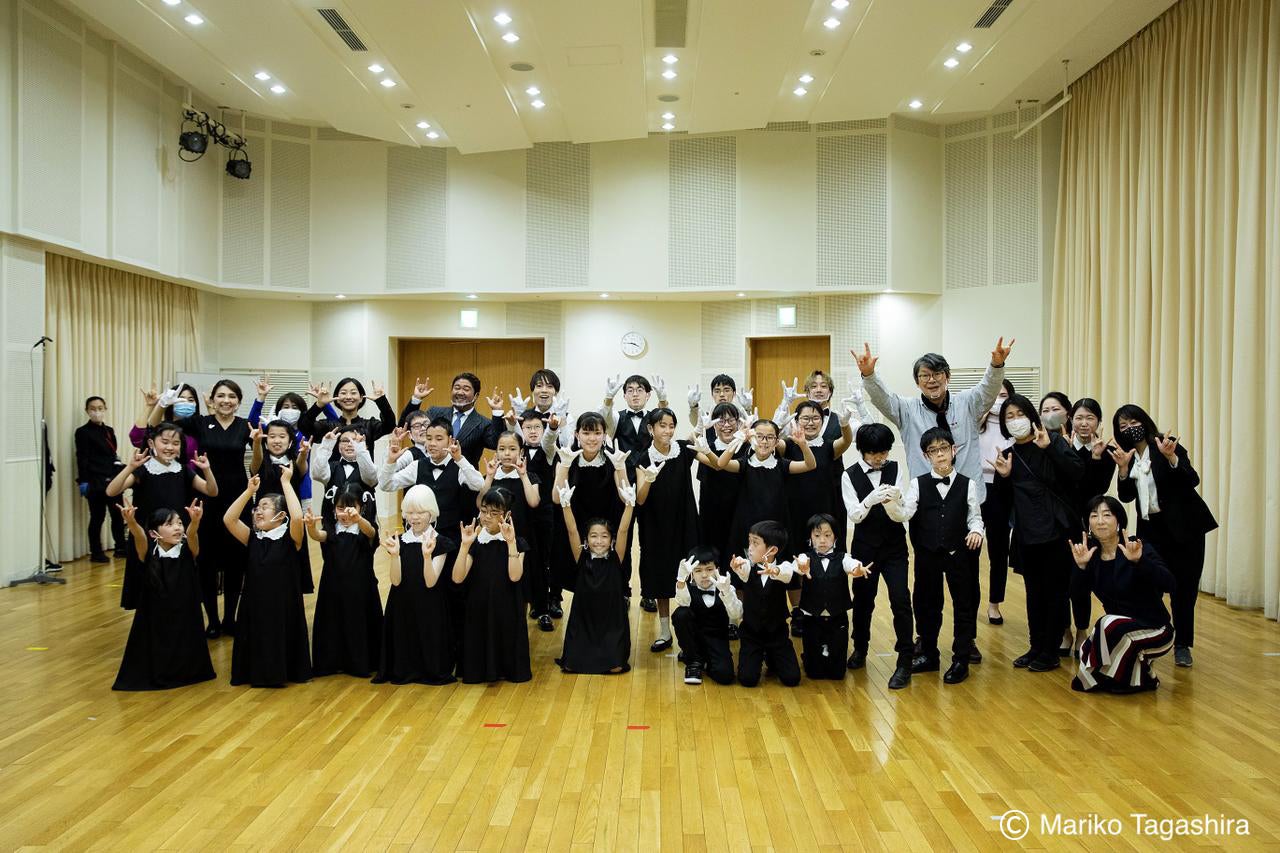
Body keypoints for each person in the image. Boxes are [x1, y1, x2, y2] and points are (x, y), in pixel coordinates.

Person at [1110, 403, 1217, 668]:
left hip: (1185, 529)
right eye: (1123, 426)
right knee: (1149, 585)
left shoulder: (1165, 446)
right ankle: (1151, 635)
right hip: (1151, 530)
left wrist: (1171, 459)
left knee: (1184, 589)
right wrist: (1122, 470)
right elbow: (1126, 496)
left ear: (1144, 422)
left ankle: (1183, 645)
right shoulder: (1128, 456)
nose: (1129, 429)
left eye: (1133, 422)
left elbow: (1192, 479)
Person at [150, 379, 254, 638]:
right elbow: (154, 428)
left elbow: (258, 458)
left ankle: (230, 619)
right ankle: (213, 621)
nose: (226, 400)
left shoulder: (245, 426)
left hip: (237, 498)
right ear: (212, 400)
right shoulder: (198, 422)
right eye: (221, 395)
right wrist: (161, 403)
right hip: (205, 496)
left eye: (232, 396)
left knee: (236, 561)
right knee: (206, 560)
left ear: (239, 402)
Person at [854, 338, 1014, 503]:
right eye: (924, 375)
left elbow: (988, 390)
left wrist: (996, 366)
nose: (931, 380)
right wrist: (869, 375)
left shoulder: (967, 403)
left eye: (937, 373)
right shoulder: (907, 410)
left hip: (968, 496)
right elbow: (884, 400)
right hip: (926, 499)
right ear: (917, 382)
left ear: (947, 377)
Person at [992, 394, 1085, 672]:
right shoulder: (1007, 454)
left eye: (1020, 413)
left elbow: (1077, 474)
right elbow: (1001, 505)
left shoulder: (1051, 441)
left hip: (1056, 532)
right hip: (1026, 534)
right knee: (1034, 592)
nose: (1015, 420)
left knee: (1055, 592)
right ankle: (1036, 646)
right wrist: (1003, 477)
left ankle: (1051, 651)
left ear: (1031, 415)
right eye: (1009, 416)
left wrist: (1050, 449)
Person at [899, 427, 985, 685]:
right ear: (927, 456)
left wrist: (976, 531)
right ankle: (928, 653)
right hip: (927, 554)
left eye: (944, 448)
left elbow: (975, 517)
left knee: (964, 604)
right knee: (926, 604)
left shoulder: (968, 484)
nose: (940, 454)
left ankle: (961, 659)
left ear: (953, 450)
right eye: (933, 451)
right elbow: (906, 512)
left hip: (958, 553)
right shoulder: (917, 484)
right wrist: (892, 503)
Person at [105, 424, 217, 611]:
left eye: (175, 443)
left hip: (176, 538)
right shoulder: (143, 470)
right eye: (164, 442)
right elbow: (111, 491)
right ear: (151, 443)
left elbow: (211, 491)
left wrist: (207, 470)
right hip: (147, 538)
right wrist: (130, 467)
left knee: (177, 589)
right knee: (148, 589)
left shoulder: (183, 470)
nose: (170, 447)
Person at [1069, 496, 1176, 693]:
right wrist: (1081, 567)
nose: (1100, 521)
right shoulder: (1091, 555)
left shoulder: (1136, 546)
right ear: (1088, 524)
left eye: (1107, 515)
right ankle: (1144, 676)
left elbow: (1169, 583)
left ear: (1119, 521)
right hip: (1117, 631)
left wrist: (1139, 561)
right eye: (1094, 516)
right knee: (1092, 643)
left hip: (1155, 630)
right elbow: (1077, 594)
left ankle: (1123, 678)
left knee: (1105, 624)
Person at [112, 498, 216, 691]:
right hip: (156, 617)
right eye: (169, 524)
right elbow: (139, 536)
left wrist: (194, 521)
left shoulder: (188, 550)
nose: (177, 528)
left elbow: (192, 534)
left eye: (179, 523)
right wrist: (131, 522)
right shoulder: (148, 552)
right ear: (154, 533)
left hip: (185, 615)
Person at [841, 423, 914, 689]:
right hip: (865, 547)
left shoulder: (895, 468)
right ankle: (860, 648)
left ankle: (905, 660)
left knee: (900, 599)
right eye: (873, 453)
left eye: (883, 452)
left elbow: (902, 510)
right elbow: (854, 515)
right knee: (863, 600)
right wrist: (870, 500)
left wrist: (894, 500)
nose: (879, 458)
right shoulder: (849, 475)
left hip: (894, 546)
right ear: (862, 451)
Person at [224, 471, 312, 687]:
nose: (258, 512)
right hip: (254, 605)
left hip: (282, 606)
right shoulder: (252, 537)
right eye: (257, 508)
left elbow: (297, 517)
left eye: (265, 507)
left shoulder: (291, 538)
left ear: (280, 516)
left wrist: (286, 482)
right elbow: (229, 519)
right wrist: (249, 492)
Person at [633, 408, 711, 652]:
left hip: (685, 520)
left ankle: (698, 629)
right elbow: (640, 499)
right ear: (651, 429)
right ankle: (665, 631)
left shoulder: (682, 449)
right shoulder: (642, 457)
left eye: (671, 426)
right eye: (662, 425)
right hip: (656, 525)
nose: (667, 430)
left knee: (694, 572)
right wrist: (649, 479)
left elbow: (715, 464)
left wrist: (705, 440)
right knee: (660, 575)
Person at [781, 398, 856, 635]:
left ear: (822, 422)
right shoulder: (788, 445)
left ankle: (824, 609)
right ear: (797, 421)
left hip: (823, 514)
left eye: (815, 418)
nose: (811, 422)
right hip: (794, 513)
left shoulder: (828, 446)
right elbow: (773, 444)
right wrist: (780, 420)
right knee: (796, 562)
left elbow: (847, 441)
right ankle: (797, 612)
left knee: (824, 562)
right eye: (805, 418)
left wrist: (844, 424)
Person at [374, 485, 457, 685]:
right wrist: (395, 556)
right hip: (403, 605)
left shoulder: (441, 542)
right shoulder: (399, 541)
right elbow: (395, 581)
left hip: (429, 605)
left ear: (431, 513)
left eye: (420, 512)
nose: (414, 517)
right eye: (410, 512)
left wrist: (427, 556)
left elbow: (431, 581)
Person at [555, 479, 635, 674]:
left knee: (615, 667)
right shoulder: (581, 556)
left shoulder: (616, 557)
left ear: (611, 540)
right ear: (586, 540)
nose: (599, 541)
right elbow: (572, 530)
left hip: (611, 621)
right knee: (571, 666)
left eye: (604, 536)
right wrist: (566, 506)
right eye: (593, 536)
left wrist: (630, 505)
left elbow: (623, 529)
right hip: (584, 619)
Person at [452, 489, 532, 684]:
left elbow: (515, 576)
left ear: (507, 515)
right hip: (478, 606)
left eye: (494, 513)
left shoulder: (519, 543)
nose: (487, 517)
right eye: (484, 511)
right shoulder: (476, 542)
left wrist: (511, 543)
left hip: (507, 607)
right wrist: (464, 546)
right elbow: (457, 578)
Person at [303, 486, 382, 678]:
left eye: (351, 508)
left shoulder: (363, 529)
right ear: (333, 509)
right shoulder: (332, 530)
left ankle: (360, 662)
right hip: (333, 588)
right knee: (333, 623)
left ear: (361, 508)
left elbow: (371, 532)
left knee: (357, 622)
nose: (345, 513)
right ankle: (332, 662)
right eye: (340, 508)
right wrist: (311, 527)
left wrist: (358, 519)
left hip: (360, 589)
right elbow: (318, 536)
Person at [549, 413, 629, 601]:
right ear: (577, 434)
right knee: (573, 571)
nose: (592, 438)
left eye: (597, 433)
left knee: (606, 575)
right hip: (574, 523)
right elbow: (556, 498)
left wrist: (620, 467)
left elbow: (625, 496)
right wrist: (565, 465)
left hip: (605, 524)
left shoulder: (613, 458)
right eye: (586, 433)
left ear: (604, 435)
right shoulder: (567, 456)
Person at [717, 419, 817, 569]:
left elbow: (810, 465)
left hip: (776, 526)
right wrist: (738, 440)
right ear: (751, 438)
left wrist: (803, 444)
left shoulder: (782, 464)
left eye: (770, 437)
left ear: (776, 442)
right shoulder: (745, 464)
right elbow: (721, 463)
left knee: (779, 569)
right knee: (744, 570)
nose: (764, 441)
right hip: (747, 525)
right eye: (759, 436)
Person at [1064, 396, 1117, 653]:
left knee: (1080, 580)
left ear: (1098, 422)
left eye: (1090, 418)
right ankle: (1064, 629)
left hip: (1087, 526)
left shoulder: (1106, 451)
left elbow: (1097, 490)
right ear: (1071, 420)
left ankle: (1082, 629)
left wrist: (1096, 458)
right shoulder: (1061, 445)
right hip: (1061, 523)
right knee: (1060, 580)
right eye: (1079, 418)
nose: (1084, 423)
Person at [478, 431, 544, 628]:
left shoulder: (530, 476)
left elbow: (534, 501)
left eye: (512, 449)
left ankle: (518, 628)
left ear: (521, 452)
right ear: (496, 452)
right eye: (502, 449)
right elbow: (480, 504)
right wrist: (489, 477)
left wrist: (523, 475)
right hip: (493, 541)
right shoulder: (490, 476)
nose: (507, 453)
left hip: (519, 540)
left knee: (520, 587)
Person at [793, 514, 869, 680]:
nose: (822, 540)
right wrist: (801, 566)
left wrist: (858, 569)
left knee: (837, 673)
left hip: (837, 616)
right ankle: (810, 657)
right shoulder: (805, 557)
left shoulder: (843, 557)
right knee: (814, 673)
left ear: (835, 537)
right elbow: (797, 565)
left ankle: (830, 659)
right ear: (810, 538)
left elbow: (852, 564)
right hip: (812, 617)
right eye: (817, 535)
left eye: (827, 535)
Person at [729, 520, 802, 687]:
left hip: (777, 634)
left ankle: (772, 655)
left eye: (755, 543)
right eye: (749, 542)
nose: (750, 548)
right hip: (751, 633)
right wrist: (737, 565)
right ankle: (759, 655)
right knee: (747, 679)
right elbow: (742, 567)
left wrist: (775, 571)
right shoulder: (749, 567)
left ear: (773, 550)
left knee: (792, 679)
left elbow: (786, 573)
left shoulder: (784, 567)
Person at [250, 420, 315, 593]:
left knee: (291, 564)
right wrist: (256, 443)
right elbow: (255, 463)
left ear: (290, 441)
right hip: (264, 519)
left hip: (291, 521)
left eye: (282, 436)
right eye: (272, 436)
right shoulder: (261, 461)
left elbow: (302, 467)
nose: (277, 440)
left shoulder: (294, 462)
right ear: (266, 441)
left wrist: (304, 453)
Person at [399, 373, 500, 468]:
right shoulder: (434, 413)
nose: (460, 392)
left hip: (463, 478)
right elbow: (404, 427)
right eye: (457, 388)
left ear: (476, 395)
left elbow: (495, 443)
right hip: (430, 475)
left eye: (466, 389)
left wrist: (497, 412)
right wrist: (416, 399)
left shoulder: (483, 424)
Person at [977, 379, 1016, 624]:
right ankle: (969, 601)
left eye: (1003, 396)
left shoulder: (1015, 427)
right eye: (994, 395)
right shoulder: (974, 423)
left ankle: (994, 604)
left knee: (998, 551)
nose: (997, 401)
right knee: (969, 548)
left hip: (1001, 491)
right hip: (975, 488)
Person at [672, 548, 741, 685]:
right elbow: (682, 602)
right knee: (681, 613)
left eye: (709, 569)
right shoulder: (687, 588)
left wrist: (726, 592)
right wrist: (681, 580)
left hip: (717, 638)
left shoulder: (726, 587)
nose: (704, 575)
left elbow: (736, 614)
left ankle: (706, 660)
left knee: (725, 676)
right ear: (691, 573)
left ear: (717, 570)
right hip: (694, 637)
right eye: (698, 571)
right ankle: (693, 661)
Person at [515, 410, 556, 630]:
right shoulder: (516, 451)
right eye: (528, 427)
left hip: (543, 515)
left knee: (542, 562)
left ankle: (543, 609)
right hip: (520, 514)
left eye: (537, 427)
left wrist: (553, 428)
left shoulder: (548, 450)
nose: (532, 431)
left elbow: (550, 438)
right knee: (522, 560)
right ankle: (521, 606)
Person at [75, 396, 126, 562]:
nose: (96, 412)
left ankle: (120, 547)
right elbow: (82, 458)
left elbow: (112, 454)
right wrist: (84, 481)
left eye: (100, 408)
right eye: (93, 408)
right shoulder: (82, 432)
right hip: (95, 481)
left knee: (118, 515)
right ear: (87, 411)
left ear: (105, 409)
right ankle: (96, 552)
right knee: (98, 517)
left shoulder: (109, 430)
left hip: (113, 479)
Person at [299, 377, 397, 463]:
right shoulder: (328, 426)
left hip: (364, 477)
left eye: (353, 393)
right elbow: (304, 426)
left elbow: (390, 425)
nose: (348, 397)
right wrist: (319, 405)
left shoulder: (369, 425)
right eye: (343, 393)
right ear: (337, 398)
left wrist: (381, 401)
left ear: (361, 398)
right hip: (333, 478)